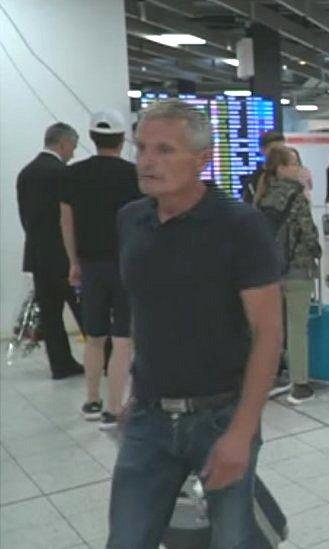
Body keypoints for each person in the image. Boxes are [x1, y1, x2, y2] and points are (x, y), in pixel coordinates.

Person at [108, 100, 283, 547]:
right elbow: (145, 311)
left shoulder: (240, 226)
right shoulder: (131, 220)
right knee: (126, 539)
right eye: (142, 147)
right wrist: (135, 387)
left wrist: (242, 431)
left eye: (165, 150)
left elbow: (268, 332)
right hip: (148, 416)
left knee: (231, 540)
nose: (147, 161)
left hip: (220, 415)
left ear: (203, 160)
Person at [60, 110, 142, 429]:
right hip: (126, 265)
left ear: (92, 138)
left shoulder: (72, 175)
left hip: (91, 265)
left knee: (94, 336)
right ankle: (113, 408)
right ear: (122, 140)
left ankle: (91, 399)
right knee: (123, 339)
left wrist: (73, 262)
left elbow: (66, 222)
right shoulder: (133, 175)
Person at [15, 122, 84, 379]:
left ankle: (61, 365)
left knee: (51, 315)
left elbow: (26, 218)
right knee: (84, 310)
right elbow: (70, 218)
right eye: (73, 148)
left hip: (38, 255)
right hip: (65, 256)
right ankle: (105, 356)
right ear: (63, 143)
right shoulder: (63, 174)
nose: (73, 154)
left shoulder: (26, 173)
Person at [254, 146, 322, 405]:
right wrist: (316, 250)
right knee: (297, 328)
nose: (298, 167)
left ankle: (270, 379)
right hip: (297, 268)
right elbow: (308, 233)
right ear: (281, 168)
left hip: (268, 271)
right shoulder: (296, 196)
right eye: (293, 163)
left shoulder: (262, 196)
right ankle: (300, 384)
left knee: (272, 328)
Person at [242, 130, 285, 204]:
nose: (279, 154)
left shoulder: (291, 176)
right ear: (263, 150)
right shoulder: (253, 180)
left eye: (282, 150)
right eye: (274, 150)